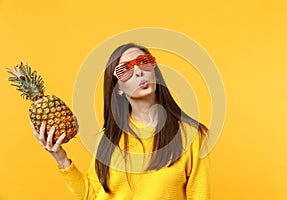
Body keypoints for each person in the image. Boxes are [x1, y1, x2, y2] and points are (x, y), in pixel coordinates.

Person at [30, 43, 212, 199]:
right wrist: (60, 157)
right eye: (125, 70)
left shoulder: (191, 136)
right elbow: (92, 195)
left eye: (144, 62)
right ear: (118, 89)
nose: (139, 72)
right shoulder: (109, 139)